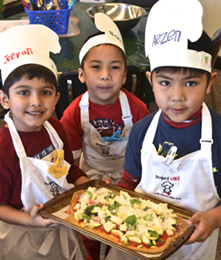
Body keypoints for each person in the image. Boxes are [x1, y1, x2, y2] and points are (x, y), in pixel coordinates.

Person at [104, 0, 221, 260]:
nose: (177, 96)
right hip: (136, 244)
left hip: (192, 249)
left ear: (210, 82)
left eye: (190, 83)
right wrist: (111, 195)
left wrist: (214, 218)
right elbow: (129, 181)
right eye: (165, 83)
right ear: (151, 82)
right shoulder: (141, 131)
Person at [60, 13, 149, 260]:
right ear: (81, 74)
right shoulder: (74, 113)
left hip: (128, 176)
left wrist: (131, 183)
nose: (105, 75)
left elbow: (143, 153)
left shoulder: (138, 109)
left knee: (125, 226)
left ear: (125, 75)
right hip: (90, 177)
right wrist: (87, 186)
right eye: (96, 67)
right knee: (92, 227)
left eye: (115, 67)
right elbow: (72, 158)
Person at [0, 24, 90, 260]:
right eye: (23, 92)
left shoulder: (55, 128)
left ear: (57, 97)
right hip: (22, 233)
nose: (36, 101)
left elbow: (70, 170)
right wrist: (32, 220)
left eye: (46, 92)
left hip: (59, 218)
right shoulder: (4, 146)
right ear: (4, 99)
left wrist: (91, 188)